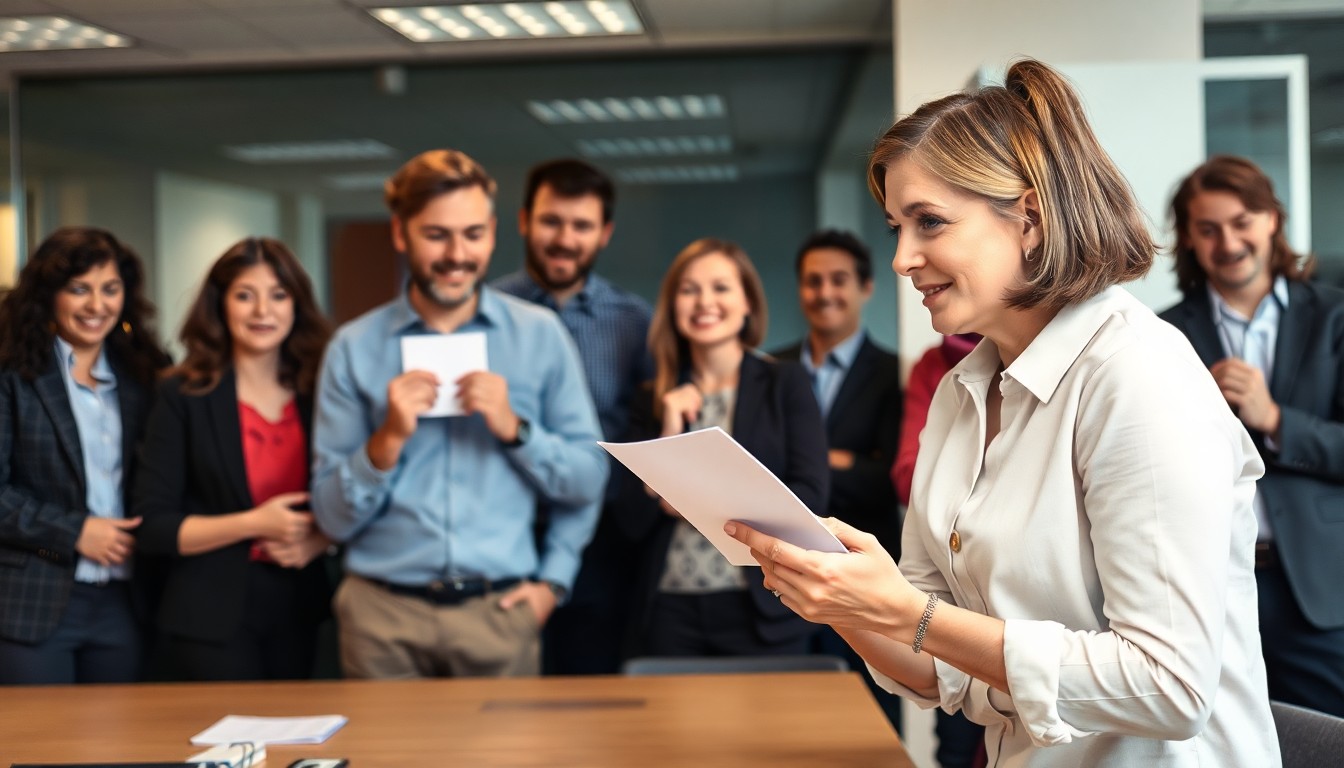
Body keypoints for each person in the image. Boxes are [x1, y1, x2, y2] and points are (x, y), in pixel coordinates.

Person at [725, 59, 1280, 766]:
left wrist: (907, 613)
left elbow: (1167, 687)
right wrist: (845, 604)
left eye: (929, 223)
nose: (901, 258)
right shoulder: (960, 397)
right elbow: (942, 670)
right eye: (897, 226)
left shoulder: (1139, 376)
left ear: (1031, 218)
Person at [311, 148, 607, 679]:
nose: (457, 255)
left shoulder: (540, 336)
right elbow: (331, 518)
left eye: (473, 234)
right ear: (400, 234)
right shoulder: (352, 348)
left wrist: (517, 432)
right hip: (381, 619)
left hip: (500, 615)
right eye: (436, 235)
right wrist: (386, 441)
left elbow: (588, 479)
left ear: (494, 233)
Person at [1160, 155, 1344, 718]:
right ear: (1189, 238)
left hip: (1317, 589)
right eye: (1209, 229)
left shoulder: (1335, 316)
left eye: (1242, 221)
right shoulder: (1163, 334)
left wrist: (1275, 418)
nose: (1229, 242)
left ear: (1271, 221)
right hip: (1206, 587)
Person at [133, 237, 334, 681]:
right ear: (219, 305)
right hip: (210, 617)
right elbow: (154, 526)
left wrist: (320, 540)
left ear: (297, 305)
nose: (263, 311)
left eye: (278, 295)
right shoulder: (180, 394)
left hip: (306, 608)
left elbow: (357, 492)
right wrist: (255, 523)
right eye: (245, 295)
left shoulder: (322, 391)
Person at [621, 237, 827, 658]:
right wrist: (669, 426)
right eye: (689, 289)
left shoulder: (785, 383)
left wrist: (695, 500)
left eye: (720, 287)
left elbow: (810, 495)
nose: (704, 301)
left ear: (747, 301)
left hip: (763, 603)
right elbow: (629, 518)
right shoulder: (651, 398)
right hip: (668, 605)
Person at [493, 158, 653, 674]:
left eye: (581, 225)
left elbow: (647, 427)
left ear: (604, 233)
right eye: (551, 222)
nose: (565, 238)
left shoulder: (632, 322)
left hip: (601, 541)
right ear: (523, 222)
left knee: (590, 694)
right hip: (501, 532)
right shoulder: (488, 312)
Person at [0, 226, 167, 684]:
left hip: (125, 599)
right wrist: (74, 531)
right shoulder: (12, 374)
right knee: (39, 750)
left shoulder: (144, 375)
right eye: (79, 290)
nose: (97, 306)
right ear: (49, 295)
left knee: (118, 750)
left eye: (110, 289)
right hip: (33, 601)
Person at [771, 229, 903, 728]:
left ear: (866, 287)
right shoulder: (767, 369)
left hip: (860, 577)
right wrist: (842, 459)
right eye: (812, 281)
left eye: (839, 280)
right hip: (780, 578)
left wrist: (798, 462)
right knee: (784, 726)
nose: (824, 292)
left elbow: (884, 478)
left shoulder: (894, 374)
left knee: (868, 726)